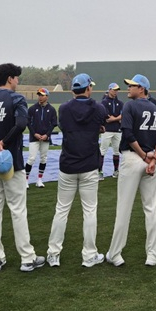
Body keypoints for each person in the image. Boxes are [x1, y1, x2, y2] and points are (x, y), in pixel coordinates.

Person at [0, 63, 45, 273]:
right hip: (10, 160)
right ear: (10, 78)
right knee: (17, 209)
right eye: (17, 78)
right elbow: (21, 124)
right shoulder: (16, 98)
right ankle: (27, 257)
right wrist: (3, 142)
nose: (18, 82)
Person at [46, 73, 107, 268]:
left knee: (61, 210)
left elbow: (67, 126)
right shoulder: (98, 108)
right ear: (88, 88)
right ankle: (89, 255)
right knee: (90, 211)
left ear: (73, 90)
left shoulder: (64, 109)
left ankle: (53, 253)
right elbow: (100, 123)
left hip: (68, 164)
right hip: (89, 165)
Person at [106, 74, 156, 267]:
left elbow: (129, 135)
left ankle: (115, 254)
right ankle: (152, 254)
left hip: (134, 157)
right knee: (150, 208)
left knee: (124, 207)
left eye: (132, 85)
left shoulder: (129, 106)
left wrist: (143, 156)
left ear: (142, 89)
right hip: (150, 161)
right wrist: (153, 159)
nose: (128, 88)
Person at [25, 88, 57, 189]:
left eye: (42, 95)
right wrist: (34, 134)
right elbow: (28, 123)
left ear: (47, 96)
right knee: (31, 158)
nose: (40, 97)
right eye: (39, 95)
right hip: (34, 138)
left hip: (45, 138)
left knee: (43, 158)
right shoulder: (32, 108)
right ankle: (26, 180)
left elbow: (53, 124)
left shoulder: (51, 109)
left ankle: (39, 179)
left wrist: (47, 135)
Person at [99, 83, 124, 179]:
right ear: (109, 90)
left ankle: (116, 171)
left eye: (117, 90)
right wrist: (116, 118)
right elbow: (106, 116)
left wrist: (114, 119)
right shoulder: (104, 102)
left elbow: (122, 115)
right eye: (114, 89)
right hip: (107, 130)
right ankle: (100, 171)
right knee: (102, 151)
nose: (115, 91)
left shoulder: (120, 103)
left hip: (117, 130)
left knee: (117, 151)